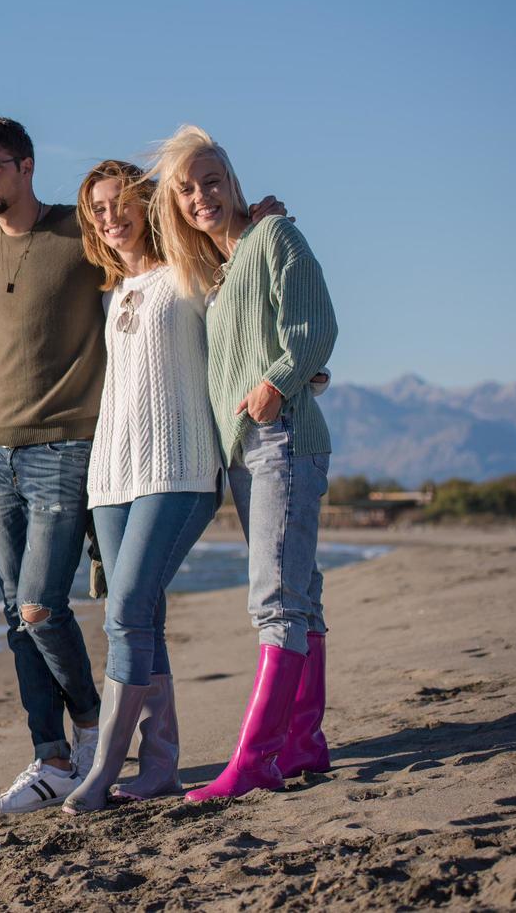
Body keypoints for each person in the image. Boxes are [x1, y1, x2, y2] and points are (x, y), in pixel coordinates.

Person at [147, 125, 338, 802]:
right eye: (186, 189)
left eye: (211, 181)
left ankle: (255, 759)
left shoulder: (272, 238)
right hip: (246, 450)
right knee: (299, 597)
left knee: (274, 601)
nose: (201, 197)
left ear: (232, 182)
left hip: (278, 435)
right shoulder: (222, 269)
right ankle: (303, 743)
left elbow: (315, 326)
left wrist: (275, 384)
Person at [0, 117, 107, 811]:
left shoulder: (81, 232)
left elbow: (166, 239)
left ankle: (96, 728)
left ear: (26, 166)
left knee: (42, 608)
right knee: (16, 618)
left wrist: (250, 219)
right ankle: (49, 761)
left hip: (66, 444)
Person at [58, 161, 223, 814]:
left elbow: (244, 321)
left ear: (147, 203)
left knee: (126, 609)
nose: (108, 216)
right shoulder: (106, 291)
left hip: (179, 469)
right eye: (96, 208)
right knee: (138, 616)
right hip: (111, 477)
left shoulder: (191, 269)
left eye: (119, 202)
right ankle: (158, 766)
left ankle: (101, 771)